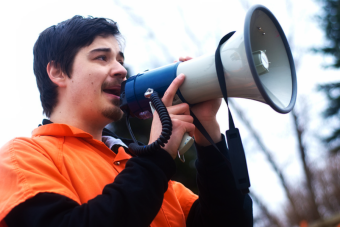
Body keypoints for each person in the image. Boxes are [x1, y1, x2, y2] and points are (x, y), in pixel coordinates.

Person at [0, 16, 253, 227]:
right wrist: (158, 156)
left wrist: (208, 134)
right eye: (102, 58)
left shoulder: (136, 165)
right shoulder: (21, 157)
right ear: (57, 72)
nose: (122, 70)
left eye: (120, 60)